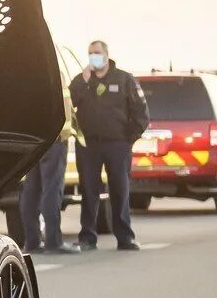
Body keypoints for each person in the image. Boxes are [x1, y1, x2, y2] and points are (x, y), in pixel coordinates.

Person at [70, 40, 149, 250]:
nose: (93, 56)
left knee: (119, 190)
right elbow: (70, 103)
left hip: (117, 145)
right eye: (90, 53)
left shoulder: (124, 80)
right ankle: (87, 237)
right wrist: (84, 81)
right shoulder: (83, 80)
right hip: (88, 146)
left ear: (106, 54)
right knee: (89, 190)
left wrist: (128, 139)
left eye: (97, 52)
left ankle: (125, 237)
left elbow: (141, 113)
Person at [19, 83, 79, 254]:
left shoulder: (22, 73)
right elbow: (64, 108)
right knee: (51, 189)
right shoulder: (53, 71)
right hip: (54, 139)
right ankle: (53, 242)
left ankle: (32, 241)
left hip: (32, 139)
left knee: (31, 189)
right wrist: (64, 135)